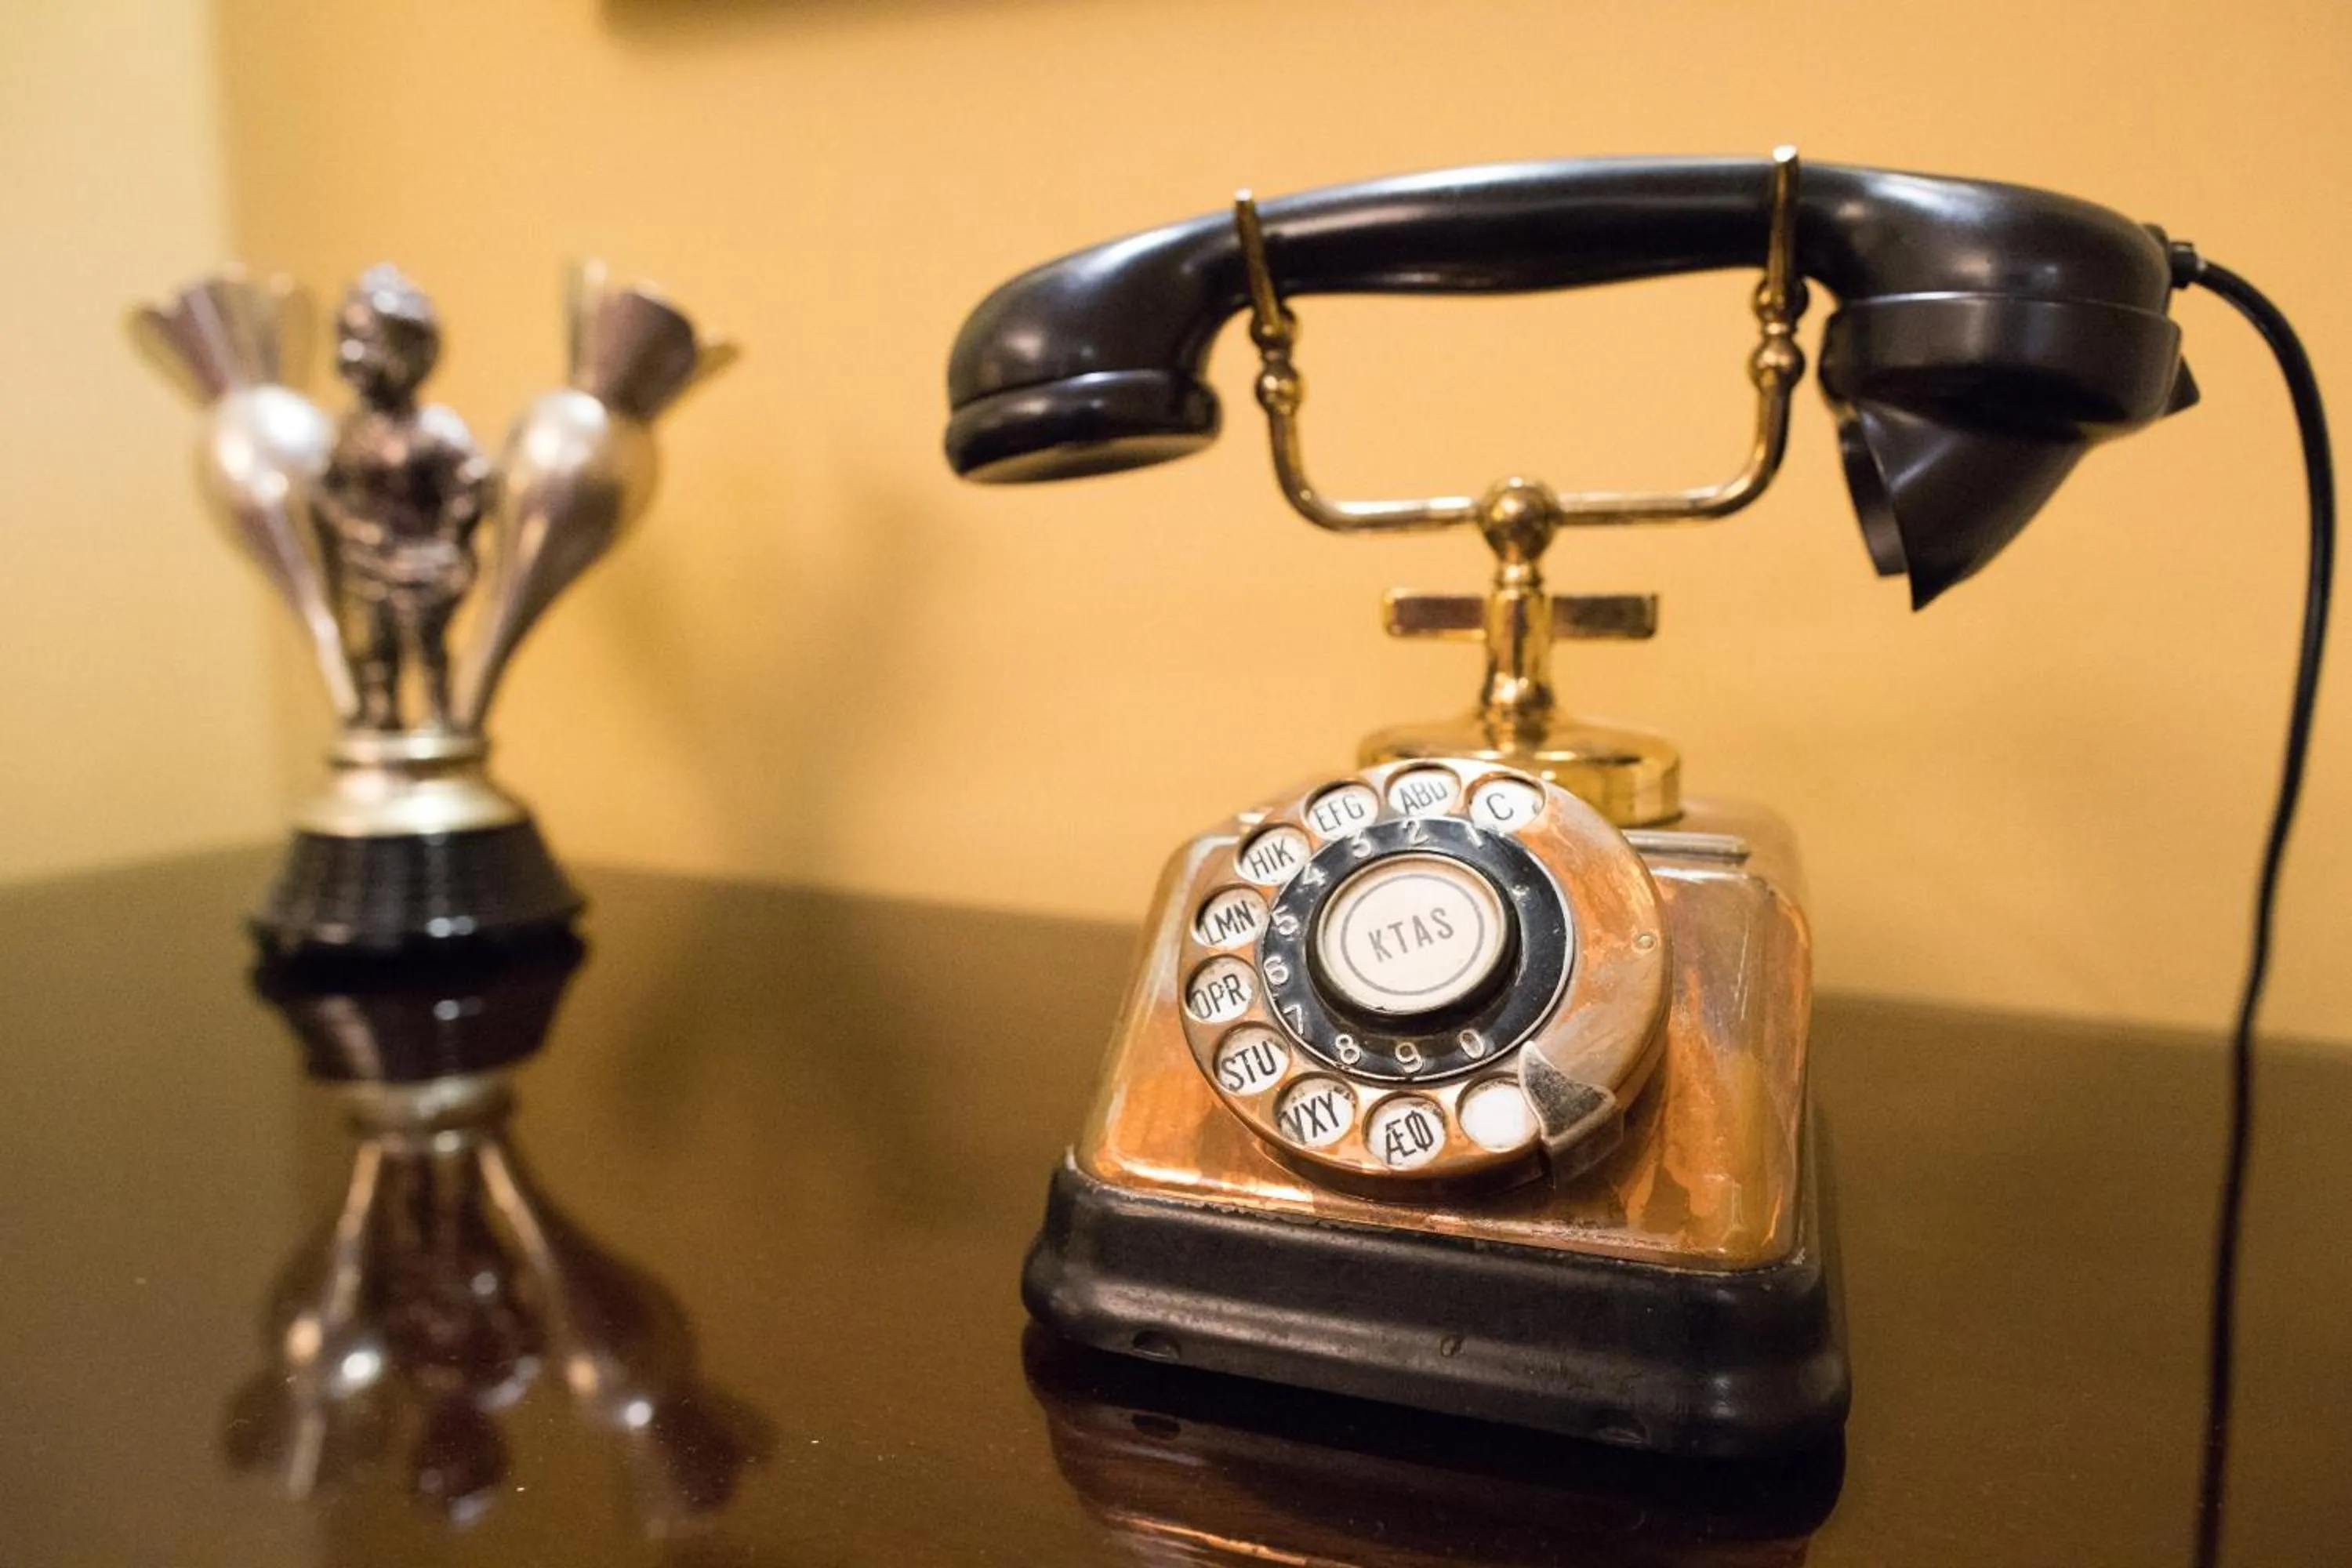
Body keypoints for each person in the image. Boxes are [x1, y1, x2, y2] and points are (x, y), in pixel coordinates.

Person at [315, 266, 492, 731]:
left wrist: (450, 543)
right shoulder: (351, 433)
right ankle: (383, 712)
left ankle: (438, 712)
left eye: (364, 340)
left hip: (424, 564)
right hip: (370, 563)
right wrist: (353, 530)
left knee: (428, 647)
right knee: (376, 649)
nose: (351, 355)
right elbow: (327, 490)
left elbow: (471, 484)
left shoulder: (436, 431)